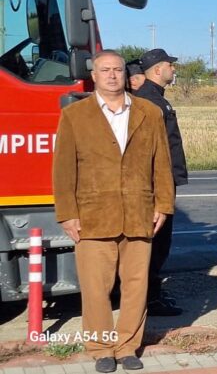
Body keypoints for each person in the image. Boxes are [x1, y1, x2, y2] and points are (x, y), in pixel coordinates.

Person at [52, 50, 175, 373]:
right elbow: (63, 170)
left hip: (139, 212)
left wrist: (163, 203)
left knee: (137, 286)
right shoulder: (75, 116)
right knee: (96, 288)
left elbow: (161, 163)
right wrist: (67, 213)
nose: (111, 75)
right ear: (94, 75)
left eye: (117, 70)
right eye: (105, 70)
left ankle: (127, 347)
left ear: (126, 74)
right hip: (93, 216)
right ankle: (101, 347)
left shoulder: (149, 113)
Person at [132, 48, 188, 317]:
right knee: (156, 241)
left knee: (160, 242)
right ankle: (149, 299)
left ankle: (151, 293)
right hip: (156, 183)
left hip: (164, 180)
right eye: (170, 65)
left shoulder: (156, 98)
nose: (173, 70)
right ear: (157, 69)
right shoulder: (148, 99)